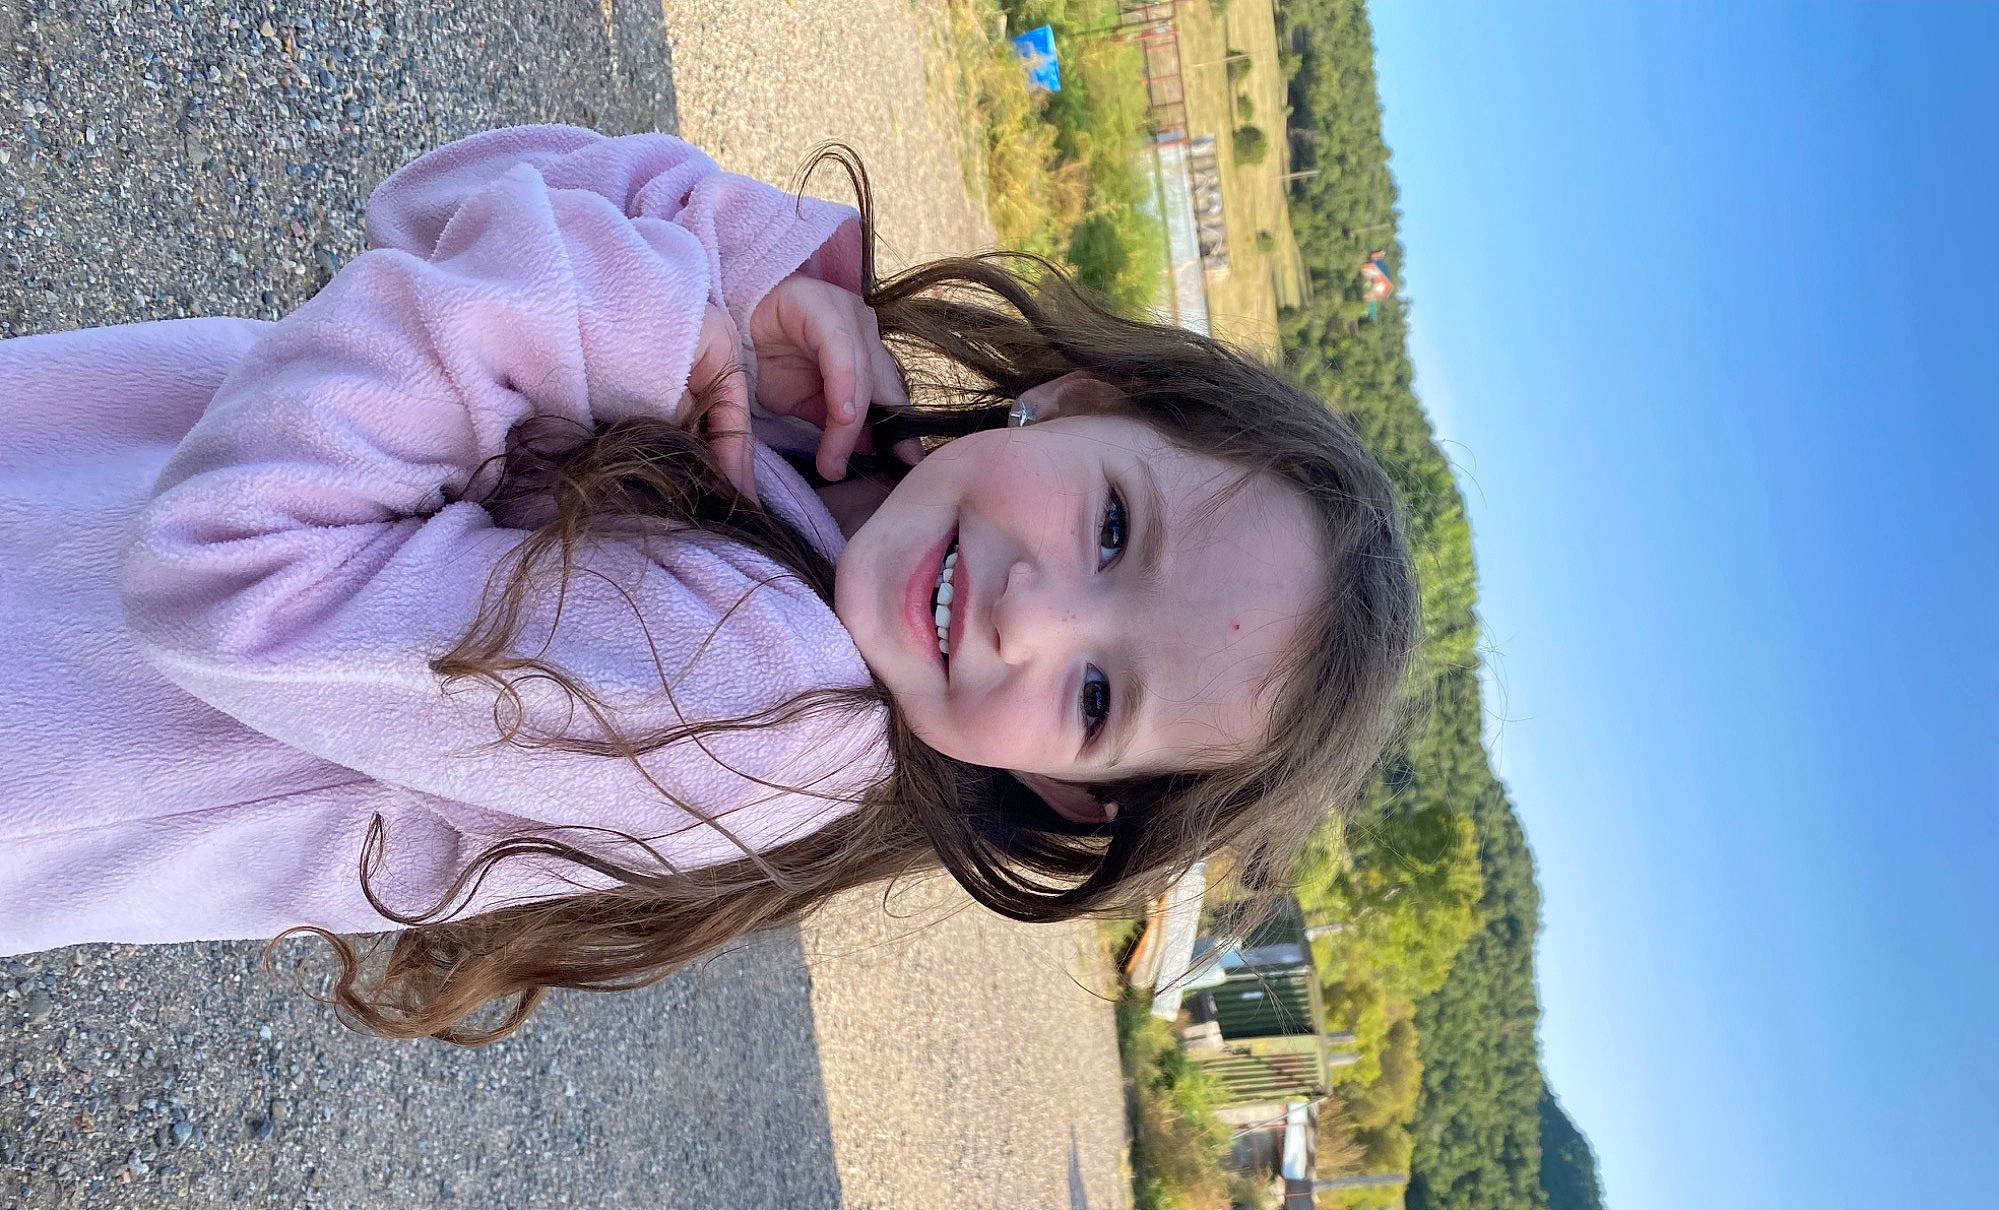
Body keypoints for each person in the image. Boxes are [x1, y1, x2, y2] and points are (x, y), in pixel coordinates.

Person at [0, 125, 1417, 1041]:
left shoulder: (764, 695)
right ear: (1078, 400)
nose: (1032, 615)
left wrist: (646, 313)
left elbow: (234, 579)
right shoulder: (814, 459)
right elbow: (434, 212)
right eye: (1112, 529)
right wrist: (731, 272)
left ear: (1064, 790)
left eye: (1098, 697)